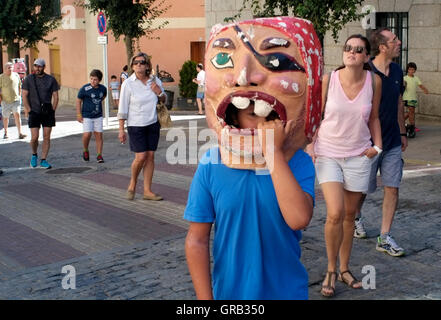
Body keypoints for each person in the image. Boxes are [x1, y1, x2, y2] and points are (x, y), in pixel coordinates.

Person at [185, 16, 323, 300]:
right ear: (234, 117)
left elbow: (299, 218)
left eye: (268, 119)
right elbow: (197, 239)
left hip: (287, 292)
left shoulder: (298, 162)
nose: (243, 75)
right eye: (252, 117)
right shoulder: (211, 165)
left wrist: (273, 154)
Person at [306, 35, 382, 297]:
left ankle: (345, 268)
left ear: (366, 57)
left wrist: (378, 147)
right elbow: (315, 114)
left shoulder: (374, 81)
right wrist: (310, 144)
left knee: (350, 216)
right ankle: (330, 269)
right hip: (328, 153)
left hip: (359, 155)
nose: (351, 52)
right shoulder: (329, 80)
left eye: (357, 50)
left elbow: (374, 117)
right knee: (335, 212)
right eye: (347, 48)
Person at [354, 28, 408, 257]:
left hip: (393, 141)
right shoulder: (366, 72)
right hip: (369, 143)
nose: (399, 42)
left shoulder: (396, 70)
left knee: (392, 187)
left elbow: (397, 101)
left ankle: (384, 237)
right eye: (394, 40)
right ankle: (356, 217)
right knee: (362, 189)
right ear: (383, 47)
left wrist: (403, 132)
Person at [117, 52, 166, 201]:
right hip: (135, 125)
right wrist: (121, 129)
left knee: (150, 156)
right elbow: (122, 107)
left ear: (147, 65)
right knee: (141, 157)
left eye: (142, 62)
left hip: (152, 123)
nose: (139, 65)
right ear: (132, 66)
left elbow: (164, 99)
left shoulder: (154, 80)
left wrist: (159, 92)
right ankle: (132, 182)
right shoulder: (128, 83)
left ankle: (147, 191)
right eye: (136, 63)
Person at [22, 58, 59, 169]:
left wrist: (53, 110)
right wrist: (28, 109)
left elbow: (56, 96)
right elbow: (24, 95)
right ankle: (34, 155)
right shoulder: (29, 79)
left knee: (46, 136)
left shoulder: (51, 79)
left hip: (47, 110)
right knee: (34, 137)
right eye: (35, 66)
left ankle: (43, 159)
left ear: (44, 67)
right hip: (34, 111)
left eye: (40, 66)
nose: (37, 68)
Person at [76, 69, 107, 163]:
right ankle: (85, 150)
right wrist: (79, 114)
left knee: (99, 135)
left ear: (99, 80)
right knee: (87, 134)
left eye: (95, 79)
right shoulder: (85, 88)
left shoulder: (103, 89)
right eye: (91, 79)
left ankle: (99, 155)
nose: (93, 81)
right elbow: (78, 100)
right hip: (87, 115)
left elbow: (103, 97)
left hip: (98, 115)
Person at [0, 62, 27, 140]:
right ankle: (6, 132)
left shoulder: (16, 75)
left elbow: (19, 86)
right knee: (6, 117)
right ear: (5, 69)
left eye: (11, 67)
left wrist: (19, 95)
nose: (11, 69)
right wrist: (0, 100)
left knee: (17, 115)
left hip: (16, 100)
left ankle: (20, 133)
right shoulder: (1, 77)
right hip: (5, 101)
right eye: (9, 68)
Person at [403, 62, 429, 138]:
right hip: (406, 97)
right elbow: (401, 87)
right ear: (407, 70)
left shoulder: (416, 78)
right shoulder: (404, 78)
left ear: (415, 70)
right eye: (410, 69)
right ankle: (412, 126)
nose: (411, 71)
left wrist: (425, 90)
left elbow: (420, 85)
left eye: (413, 69)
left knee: (411, 112)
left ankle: (402, 122)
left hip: (413, 98)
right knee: (411, 110)